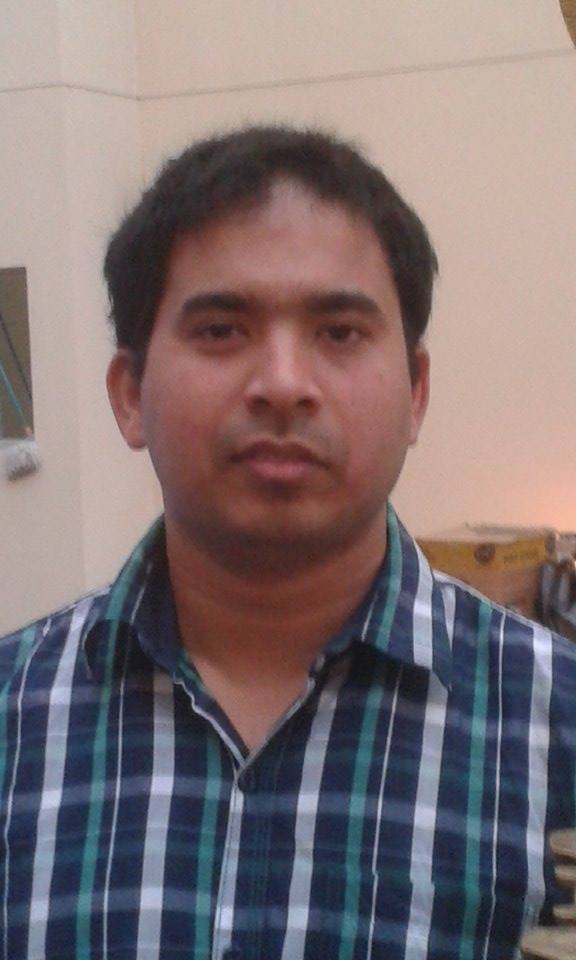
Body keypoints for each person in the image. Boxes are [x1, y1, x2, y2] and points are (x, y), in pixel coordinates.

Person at [0, 125, 574, 960]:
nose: (283, 384)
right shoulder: (14, 720)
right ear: (129, 394)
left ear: (416, 393)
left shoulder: (556, 727)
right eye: (221, 330)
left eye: (338, 332)